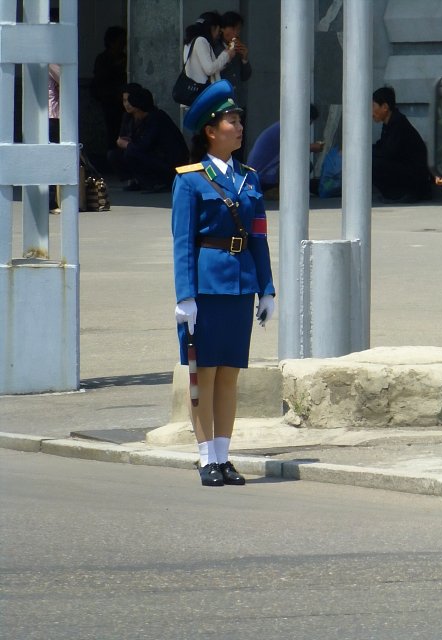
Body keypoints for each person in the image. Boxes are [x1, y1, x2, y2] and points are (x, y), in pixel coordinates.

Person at [171, 80, 275, 487]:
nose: (240, 126)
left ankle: (224, 456)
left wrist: (266, 287)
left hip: (241, 284)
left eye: (239, 120)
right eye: (232, 121)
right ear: (211, 131)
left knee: (230, 374)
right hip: (207, 286)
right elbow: (183, 242)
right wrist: (185, 296)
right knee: (205, 375)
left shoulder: (249, 178)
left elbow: (259, 237)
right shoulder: (191, 180)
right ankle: (204, 458)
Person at [108, 86, 189, 192]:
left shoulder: (156, 117)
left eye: (129, 100)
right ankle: (137, 180)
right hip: (146, 153)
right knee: (114, 154)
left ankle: (157, 182)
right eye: (124, 101)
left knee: (131, 152)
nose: (126, 104)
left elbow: (146, 144)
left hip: (166, 161)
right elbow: (123, 138)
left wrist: (128, 145)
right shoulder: (128, 117)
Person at [247, 104, 324, 196]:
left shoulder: (283, 125)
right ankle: (283, 192)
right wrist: (313, 147)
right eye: (309, 122)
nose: (309, 126)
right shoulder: (288, 128)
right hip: (262, 176)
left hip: (256, 174)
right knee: (305, 164)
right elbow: (295, 150)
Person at [372, 86, 432, 201]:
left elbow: (388, 152)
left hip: (417, 180)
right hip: (407, 171)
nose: (371, 111)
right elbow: (381, 146)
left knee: (370, 163)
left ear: (384, 107)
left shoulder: (398, 124)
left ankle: (399, 194)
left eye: (373, 106)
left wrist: (364, 153)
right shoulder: (389, 123)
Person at [213, 11, 252, 159]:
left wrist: (244, 58)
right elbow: (214, 69)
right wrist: (228, 55)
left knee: (238, 141)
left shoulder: (238, 48)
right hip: (222, 104)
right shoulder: (216, 48)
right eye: (233, 28)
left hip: (238, 102)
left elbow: (246, 76)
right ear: (222, 29)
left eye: (238, 29)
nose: (236, 33)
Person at [91, 26, 128, 151]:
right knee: (112, 130)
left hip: (124, 101)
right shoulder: (103, 59)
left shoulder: (125, 57)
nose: (123, 44)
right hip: (110, 101)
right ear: (112, 42)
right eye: (120, 41)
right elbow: (100, 80)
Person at [183, 12, 235, 88]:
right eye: (219, 30)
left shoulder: (191, 41)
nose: (218, 35)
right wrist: (226, 54)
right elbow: (209, 69)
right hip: (202, 90)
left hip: (195, 89)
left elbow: (208, 67)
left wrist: (227, 57)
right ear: (213, 28)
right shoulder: (201, 41)